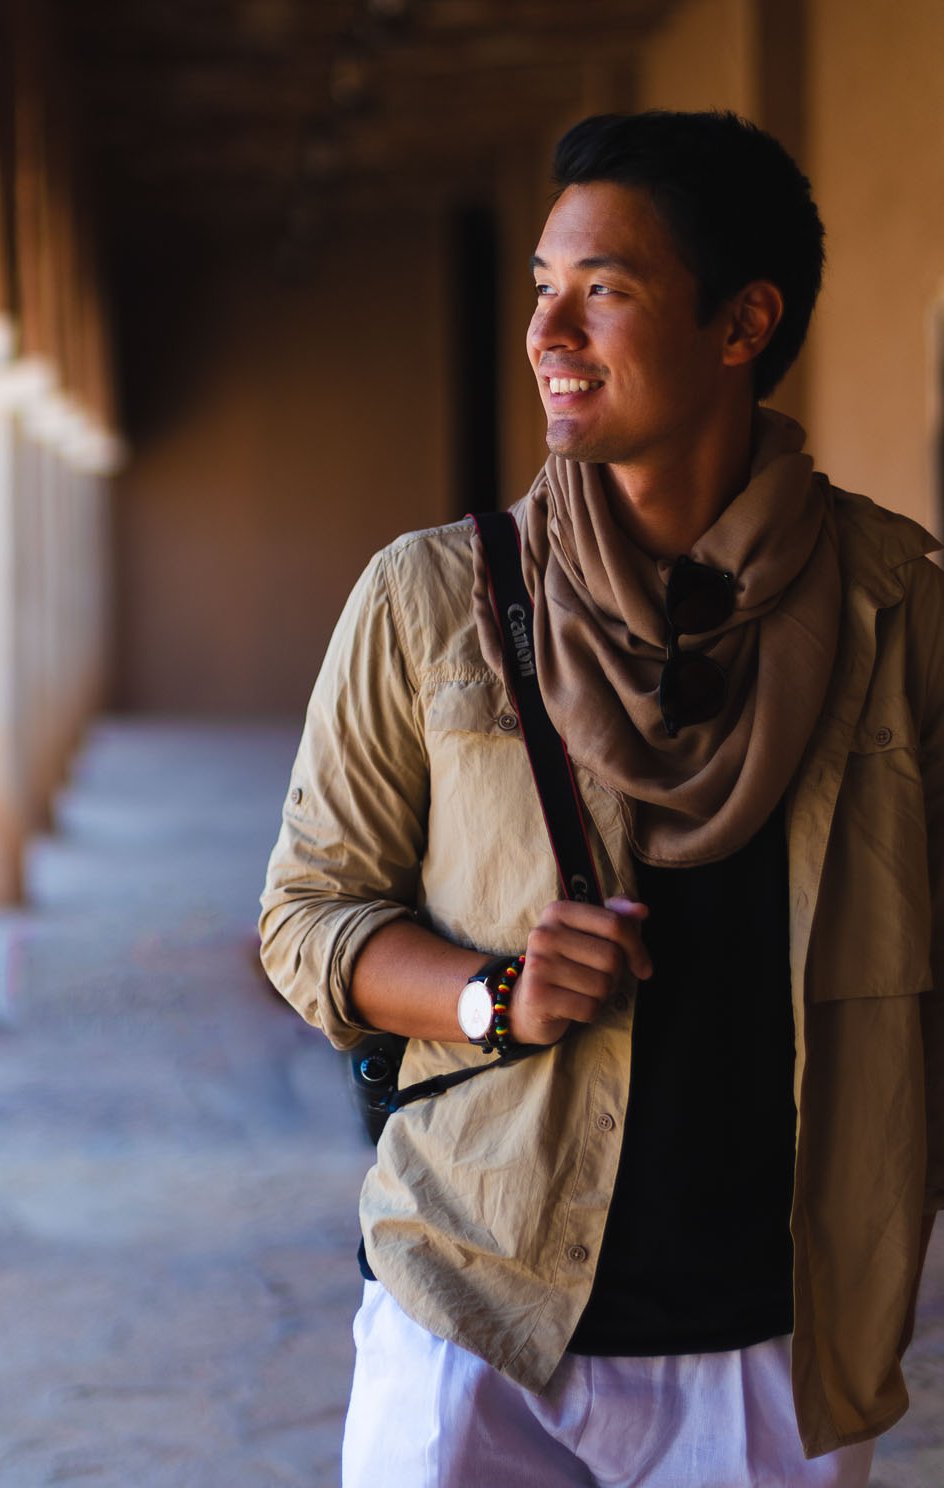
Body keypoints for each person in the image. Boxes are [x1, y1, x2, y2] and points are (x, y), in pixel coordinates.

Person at [260, 110, 944, 1488]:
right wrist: (489, 994)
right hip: (470, 1309)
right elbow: (306, 919)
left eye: (602, 290)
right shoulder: (427, 599)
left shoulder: (893, 613)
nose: (547, 333)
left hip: (768, 1344)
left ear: (743, 322)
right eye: (539, 288)